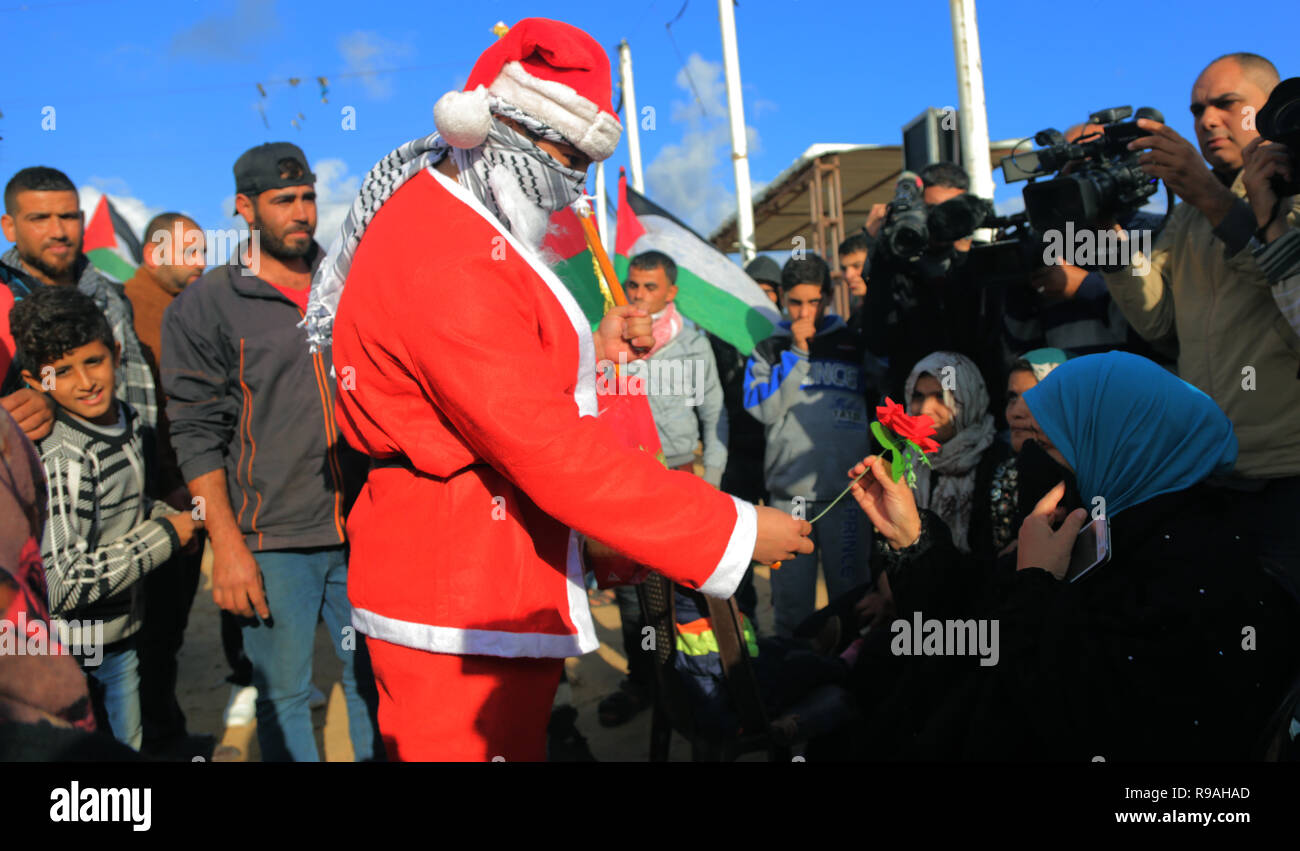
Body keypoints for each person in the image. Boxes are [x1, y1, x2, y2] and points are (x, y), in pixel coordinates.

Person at [304, 18, 812, 761]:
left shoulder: (459, 223)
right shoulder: (446, 248)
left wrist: (592, 350)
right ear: (499, 130)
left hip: (482, 581)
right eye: (565, 158)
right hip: (457, 599)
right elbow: (545, 447)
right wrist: (728, 530)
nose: (571, 186)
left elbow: (502, 390)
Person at [837, 351, 1300, 760]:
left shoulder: (1199, 580)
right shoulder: (1104, 529)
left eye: (1056, 446)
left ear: (1122, 449)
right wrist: (913, 538)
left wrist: (1036, 581)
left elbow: (1068, 713)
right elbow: (975, 625)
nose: (1037, 464)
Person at [161, 142, 380, 762]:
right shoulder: (204, 306)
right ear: (244, 208)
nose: (302, 212)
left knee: (372, 682)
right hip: (271, 540)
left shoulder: (350, 283)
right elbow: (195, 433)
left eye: (308, 196)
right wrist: (226, 548)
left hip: (366, 528)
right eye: (284, 200)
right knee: (283, 693)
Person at [1103, 52, 1300, 597]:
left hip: (1287, 472)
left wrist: (1215, 199)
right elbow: (1160, 321)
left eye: (1226, 104)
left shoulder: (1289, 190)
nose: (1207, 120)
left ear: (1270, 107)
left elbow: (1288, 293)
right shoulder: (1187, 207)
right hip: (1212, 472)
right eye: (1197, 109)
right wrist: (1110, 244)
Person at [10, 286, 201, 750]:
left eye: (93, 362)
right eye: (63, 372)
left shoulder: (130, 420)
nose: (86, 382)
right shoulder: (65, 457)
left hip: (122, 635)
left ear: (116, 353)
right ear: (37, 383)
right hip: (79, 648)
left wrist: (172, 518)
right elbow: (62, 582)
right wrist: (165, 535)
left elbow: (129, 510)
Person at [598, 249, 729, 727]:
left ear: (671, 292)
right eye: (633, 285)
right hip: (629, 480)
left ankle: (696, 681)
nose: (638, 295)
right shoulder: (608, 337)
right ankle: (645, 683)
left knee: (691, 589)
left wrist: (710, 481)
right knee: (636, 595)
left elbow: (715, 413)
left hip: (682, 479)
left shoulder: (693, 344)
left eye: (649, 287)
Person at [121, 213, 218, 758]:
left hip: (188, 495)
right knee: (148, 635)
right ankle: (153, 740)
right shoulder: (126, 309)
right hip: (150, 505)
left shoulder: (189, 307)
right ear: (157, 253)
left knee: (168, 632)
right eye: (191, 252)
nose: (202, 262)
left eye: (205, 250)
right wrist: (171, 486)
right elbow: (142, 413)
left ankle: (163, 729)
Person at [744, 252, 873, 638]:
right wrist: (797, 355)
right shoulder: (769, 349)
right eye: (795, 302)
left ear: (829, 298)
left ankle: (851, 684)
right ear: (783, 298)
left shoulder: (853, 343)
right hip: (789, 501)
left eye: (813, 302)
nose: (804, 312)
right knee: (792, 609)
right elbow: (763, 410)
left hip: (848, 498)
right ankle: (793, 681)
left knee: (851, 602)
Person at [1, 167, 156, 448]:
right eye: (40, 218)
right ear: (9, 227)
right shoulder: (3, 301)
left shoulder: (113, 299)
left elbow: (135, 396)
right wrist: (41, 403)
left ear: (83, 220)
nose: (58, 231)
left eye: (67, 217)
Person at [859, 162, 1002, 402]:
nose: (940, 221)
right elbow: (877, 341)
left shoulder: (981, 263)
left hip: (976, 407)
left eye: (950, 210)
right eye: (933, 209)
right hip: (916, 411)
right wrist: (878, 248)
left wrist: (963, 265)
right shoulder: (897, 267)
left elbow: (986, 338)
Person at [903, 351, 998, 556]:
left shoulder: (997, 462)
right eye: (918, 396)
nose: (926, 409)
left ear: (968, 396)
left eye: (942, 396)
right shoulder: (907, 459)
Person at [980, 348, 1067, 557]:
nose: (1016, 412)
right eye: (1012, 398)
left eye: (1034, 397)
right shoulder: (999, 471)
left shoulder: (1090, 481)